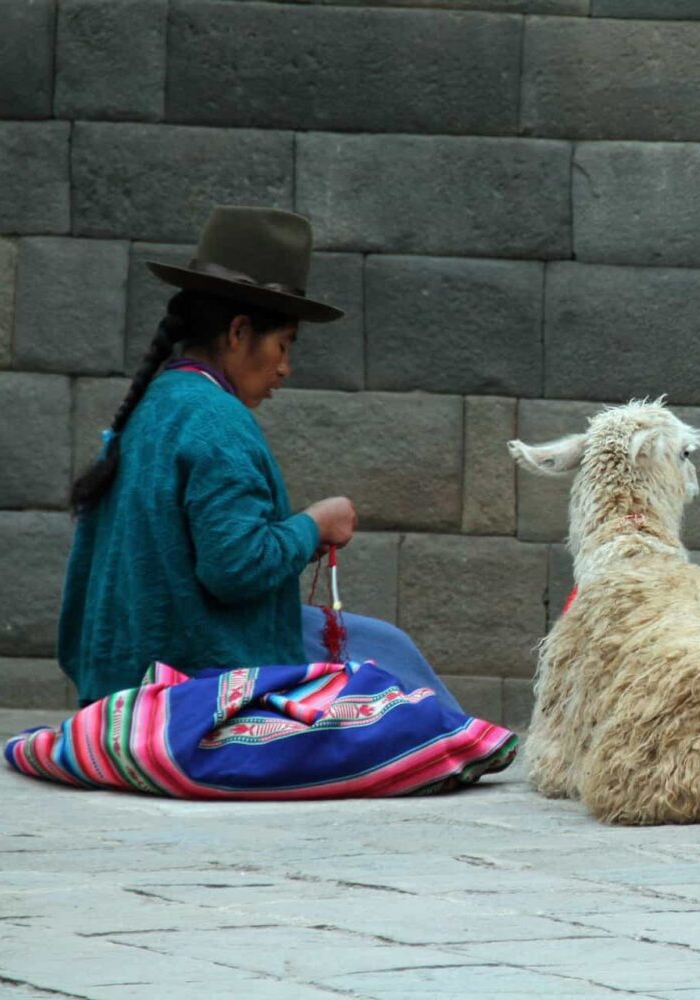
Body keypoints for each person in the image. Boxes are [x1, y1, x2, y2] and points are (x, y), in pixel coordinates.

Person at [58, 205, 464, 715]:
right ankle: (461, 743)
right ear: (238, 332)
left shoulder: (149, 409)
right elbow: (235, 568)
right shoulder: (216, 421)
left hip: (118, 686)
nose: (285, 368)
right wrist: (313, 526)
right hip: (192, 679)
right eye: (283, 344)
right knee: (391, 657)